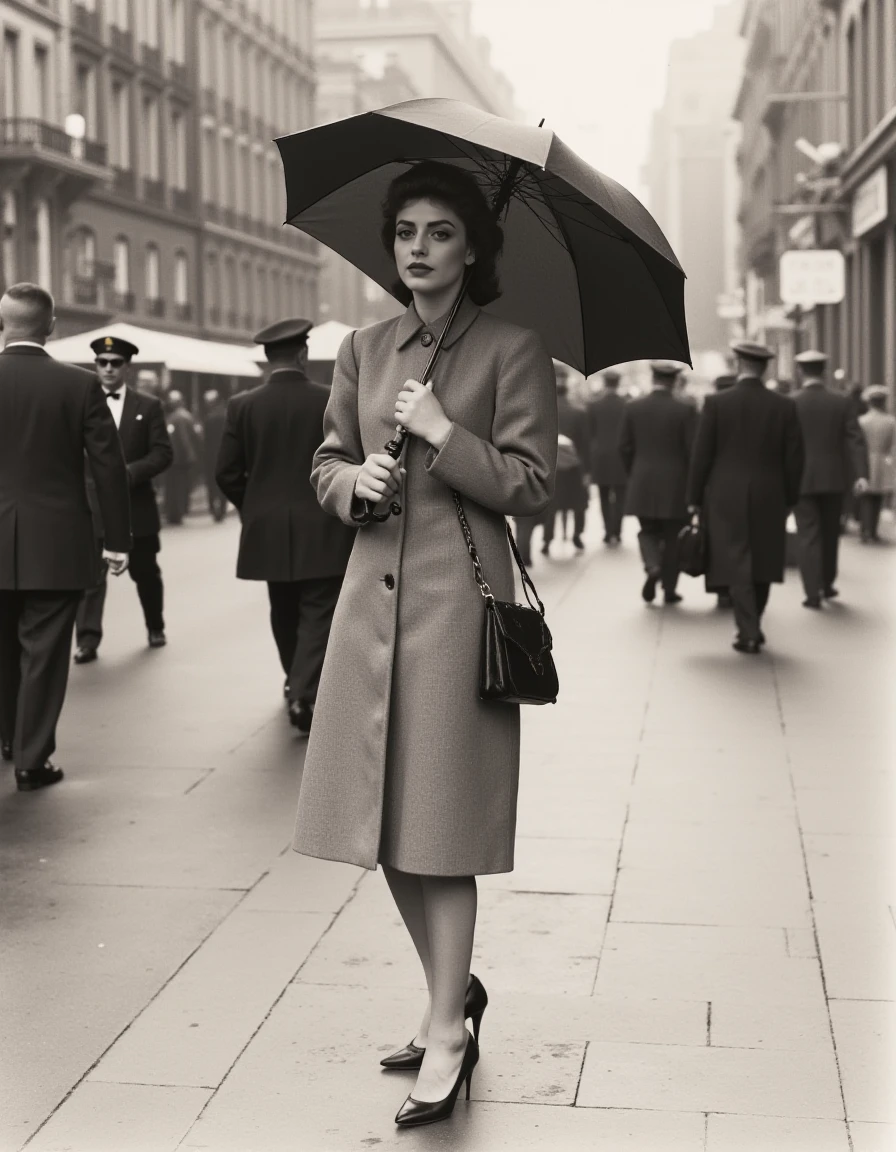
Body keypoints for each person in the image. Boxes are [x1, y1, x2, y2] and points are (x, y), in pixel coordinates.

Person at [291, 161, 557, 1127]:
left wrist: (446, 432)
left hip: (456, 619)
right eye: (406, 229)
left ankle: (449, 1027)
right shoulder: (363, 346)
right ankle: (455, 995)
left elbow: (532, 485)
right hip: (370, 614)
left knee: (438, 832)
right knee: (385, 826)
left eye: (441, 231)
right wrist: (349, 482)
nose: (417, 247)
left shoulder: (512, 348)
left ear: (473, 248)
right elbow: (324, 455)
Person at [0, 284, 130, 789]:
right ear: (50, 325)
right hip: (56, 543)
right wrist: (117, 539)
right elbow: (109, 467)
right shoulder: (78, 386)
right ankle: (31, 759)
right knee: (45, 653)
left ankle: (9, 736)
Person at [215, 318, 356, 733]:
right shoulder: (329, 400)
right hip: (323, 523)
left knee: (283, 608)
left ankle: (295, 681)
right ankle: (304, 692)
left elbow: (225, 472)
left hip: (268, 527)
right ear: (303, 354)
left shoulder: (242, 405)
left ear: (266, 358)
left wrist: (253, 506)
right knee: (318, 612)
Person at [687, 341, 804, 654]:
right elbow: (795, 458)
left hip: (725, 495)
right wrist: (791, 497)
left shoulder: (715, 403)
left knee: (736, 560)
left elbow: (702, 456)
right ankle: (753, 623)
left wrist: (694, 497)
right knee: (764, 560)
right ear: (764, 368)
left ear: (738, 365)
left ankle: (748, 631)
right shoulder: (784, 405)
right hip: (771, 494)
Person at [73, 336, 173, 661]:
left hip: (136, 508)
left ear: (127, 366)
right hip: (91, 508)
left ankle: (155, 624)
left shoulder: (148, 405)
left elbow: (162, 453)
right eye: (102, 362)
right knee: (90, 578)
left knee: (145, 572)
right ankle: (87, 640)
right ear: (95, 365)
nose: (108, 369)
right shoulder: (80, 403)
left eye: (115, 363)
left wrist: (127, 473)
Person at [792, 350, 868, 608]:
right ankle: (827, 584)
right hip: (834, 478)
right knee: (829, 533)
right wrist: (861, 475)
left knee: (808, 535)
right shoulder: (842, 402)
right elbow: (855, 440)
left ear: (801, 371)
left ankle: (811, 592)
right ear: (824, 372)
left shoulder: (791, 402)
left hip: (801, 479)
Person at [619, 360, 696, 604]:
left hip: (643, 480)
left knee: (647, 531)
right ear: (673, 381)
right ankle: (670, 589)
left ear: (653, 380)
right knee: (673, 537)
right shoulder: (685, 410)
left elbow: (623, 447)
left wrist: (635, 472)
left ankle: (652, 566)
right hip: (676, 484)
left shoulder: (633, 407)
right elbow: (692, 451)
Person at [541, 362, 589, 555]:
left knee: (552, 506)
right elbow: (586, 445)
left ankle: (547, 540)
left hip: (549, 466)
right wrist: (588, 471)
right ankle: (577, 536)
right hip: (574, 468)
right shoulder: (578, 412)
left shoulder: (542, 410)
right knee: (577, 504)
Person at [587, 368, 627, 544]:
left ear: (604, 383)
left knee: (603, 496)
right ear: (618, 383)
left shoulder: (594, 405)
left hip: (601, 457)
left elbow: (590, 434)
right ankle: (617, 532)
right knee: (620, 496)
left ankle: (607, 531)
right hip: (621, 457)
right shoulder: (627, 404)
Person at [858, 386, 895, 543]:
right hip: (882, 460)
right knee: (877, 498)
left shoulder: (862, 421)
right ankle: (872, 530)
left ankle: (865, 529)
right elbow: (893, 445)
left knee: (865, 497)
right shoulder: (890, 421)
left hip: (865, 460)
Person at [163, 390, 200, 524]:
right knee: (179, 486)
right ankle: (177, 512)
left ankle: (173, 512)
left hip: (172, 458)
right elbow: (187, 439)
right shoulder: (184, 416)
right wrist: (191, 455)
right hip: (180, 459)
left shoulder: (173, 417)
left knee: (172, 487)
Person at [202, 389, 228, 522]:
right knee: (223, 483)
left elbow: (205, 441)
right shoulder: (226, 416)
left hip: (211, 456)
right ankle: (222, 509)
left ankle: (213, 508)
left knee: (212, 484)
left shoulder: (209, 418)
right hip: (224, 454)